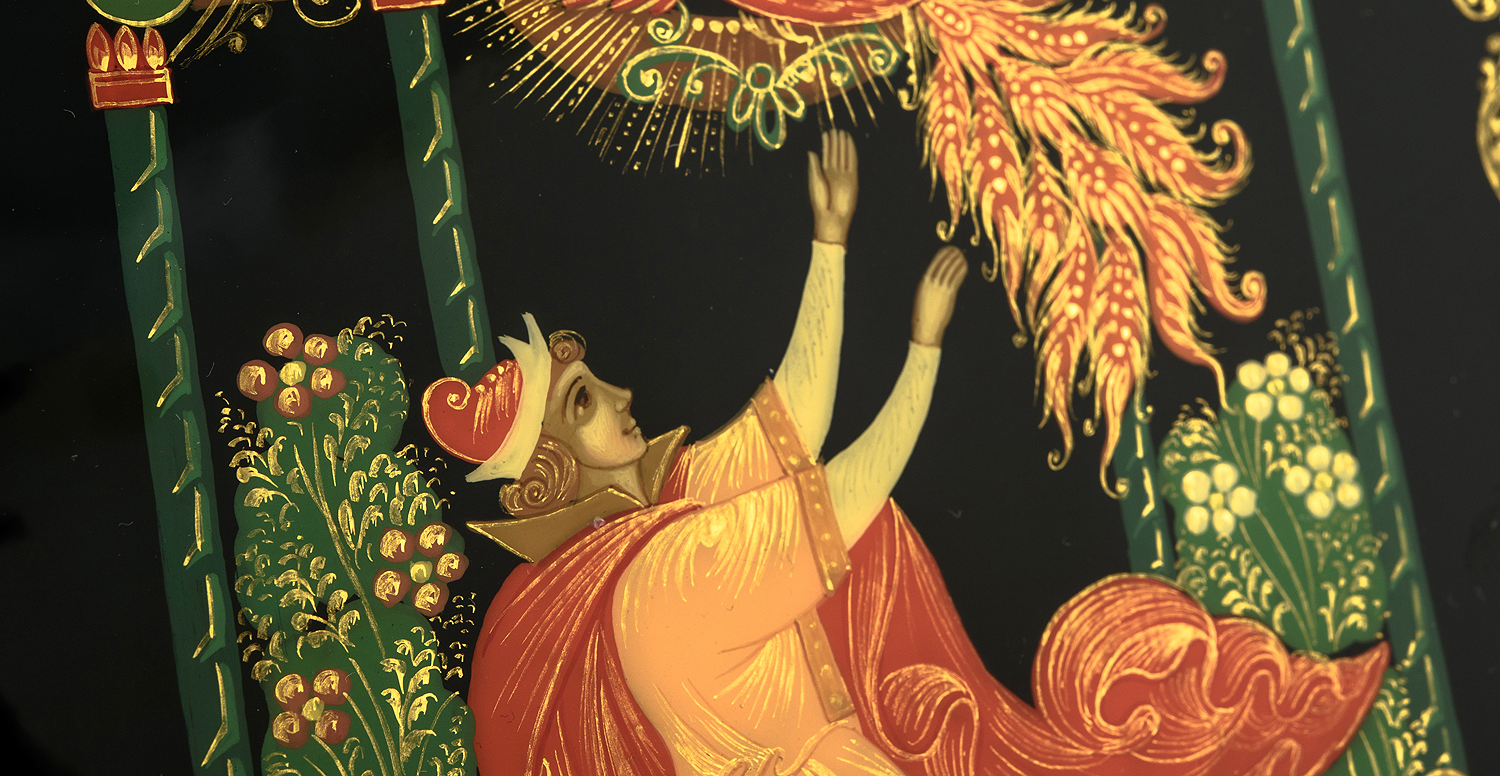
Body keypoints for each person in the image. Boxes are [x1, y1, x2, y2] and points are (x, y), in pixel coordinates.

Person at [422, 132, 1387, 776]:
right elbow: (847, 492)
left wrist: (830, 243)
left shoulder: (668, 515)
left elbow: (791, 421)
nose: (623, 396)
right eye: (584, 402)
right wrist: (923, 351)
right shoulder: (673, 569)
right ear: (555, 473)